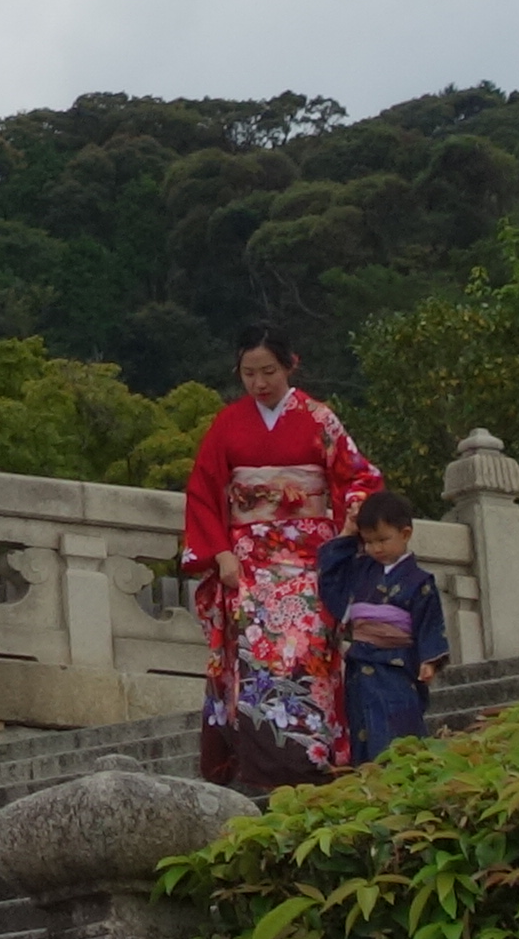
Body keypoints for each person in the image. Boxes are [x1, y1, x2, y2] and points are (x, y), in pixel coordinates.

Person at [176, 328, 378, 788]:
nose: (259, 382)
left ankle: (319, 751)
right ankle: (261, 762)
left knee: (309, 649)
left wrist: (350, 530)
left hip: (313, 557)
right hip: (249, 560)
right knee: (255, 656)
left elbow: (357, 477)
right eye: (249, 373)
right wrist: (221, 553)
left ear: (291, 366)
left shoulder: (319, 418)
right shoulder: (227, 424)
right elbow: (203, 492)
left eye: (268, 371)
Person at [311, 497, 450, 764]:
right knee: (362, 730)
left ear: (405, 533)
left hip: (397, 667)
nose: (376, 548)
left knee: (397, 730)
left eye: (383, 540)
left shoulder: (419, 581)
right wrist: (348, 533)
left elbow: (429, 622)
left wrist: (429, 660)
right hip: (360, 665)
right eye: (369, 541)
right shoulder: (362, 571)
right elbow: (331, 579)